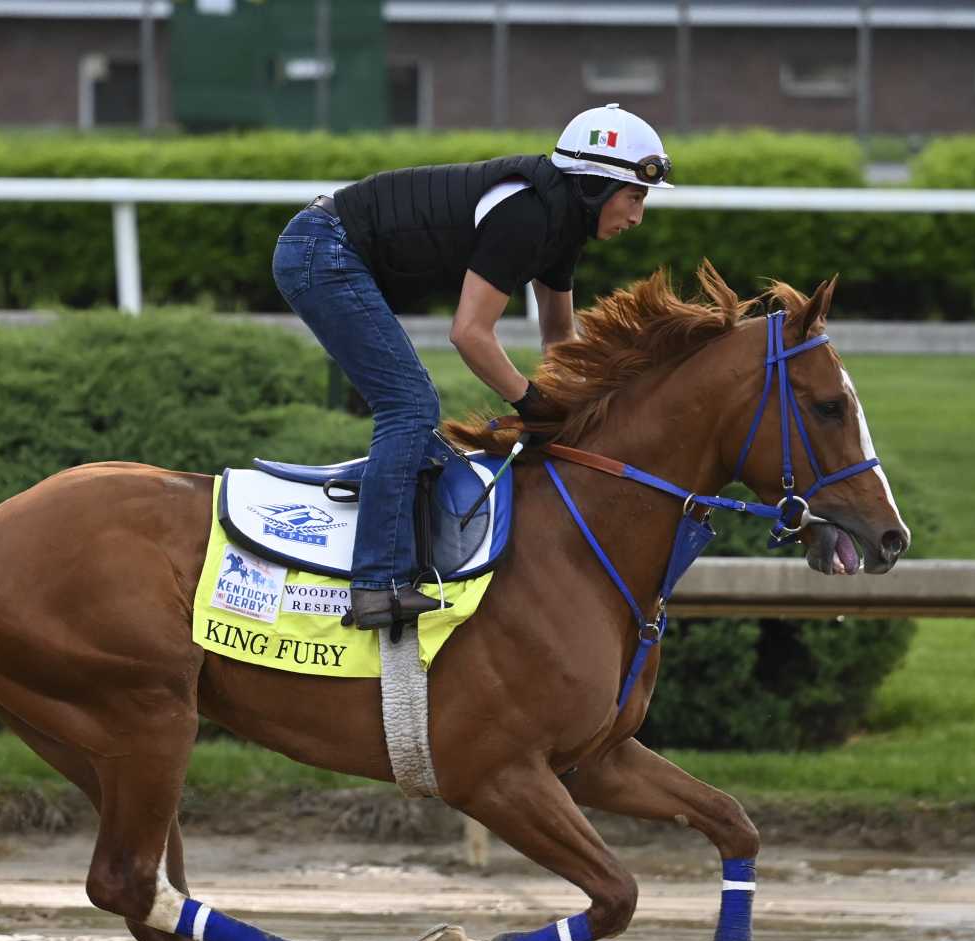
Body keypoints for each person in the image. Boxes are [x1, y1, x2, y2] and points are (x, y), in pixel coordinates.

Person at [270, 103, 673, 633]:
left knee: (417, 415)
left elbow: (558, 338)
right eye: (635, 196)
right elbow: (469, 334)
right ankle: (376, 585)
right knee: (411, 406)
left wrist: (582, 408)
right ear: (594, 185)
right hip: (320, 252)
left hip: (330, 248)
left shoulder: (562, 224)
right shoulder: (527, 214)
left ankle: (388, 534)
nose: (637, 216)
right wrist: (531, 402)